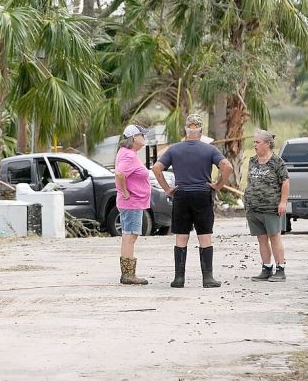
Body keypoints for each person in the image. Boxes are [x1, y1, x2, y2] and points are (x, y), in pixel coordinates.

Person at [152, 114, 233, 288]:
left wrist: (167, 188)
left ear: (186, 130)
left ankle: (179, 278)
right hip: (202, 194)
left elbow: (157, 167)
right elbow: (227, 166)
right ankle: (208, 278)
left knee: (181, 236)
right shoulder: (209, 149)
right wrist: (218, 185)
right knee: (204, 235)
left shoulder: (174, 149)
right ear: (201, 131)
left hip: (181, 194)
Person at [244, 130, 289, 282]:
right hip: (253, 208)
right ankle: (266, 268)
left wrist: (283, 202)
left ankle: (280, 268)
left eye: (257, 142)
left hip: (271, 207)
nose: (254, 145)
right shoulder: (253, 161)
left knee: (274, 237)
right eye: (254, 142)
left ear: (267, 143)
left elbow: (285, 182)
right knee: (261, 239)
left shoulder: (277, 162)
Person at [115, 125, 152, 285]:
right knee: (130, 236)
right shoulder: (129, 155)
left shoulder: (128, 154)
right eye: (141, 134)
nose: (144, 137)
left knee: (128, 236)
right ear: (134, 137)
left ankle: (127, 273)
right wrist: (125, 191)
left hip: (133, 202)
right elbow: (119, 173)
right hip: (132, 202)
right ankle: (128, 275)